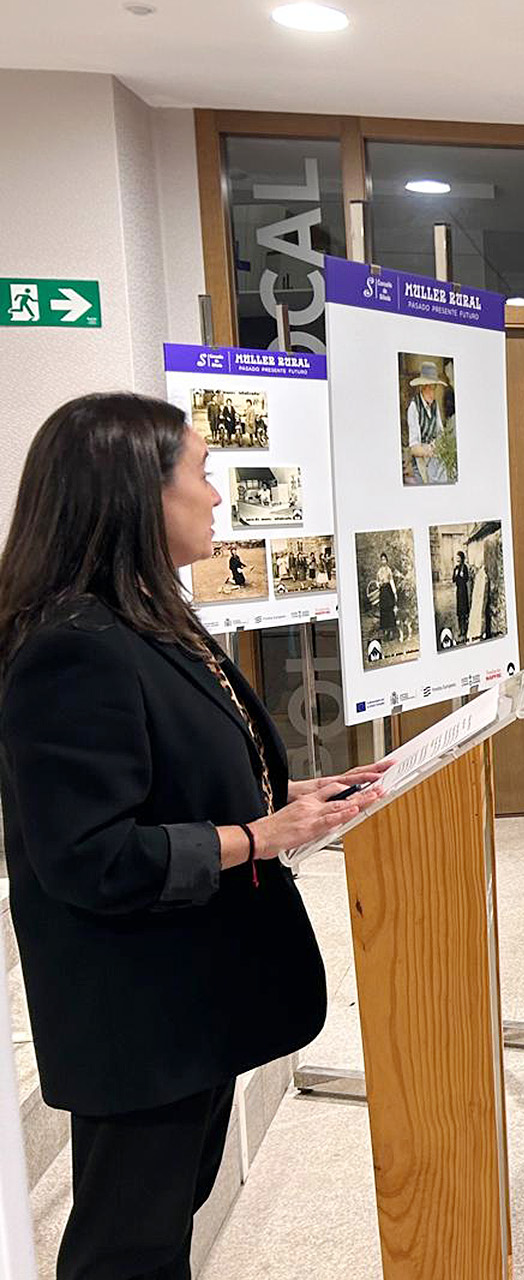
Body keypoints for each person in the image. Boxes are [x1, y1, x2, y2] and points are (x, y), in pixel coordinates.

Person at [0, 393, 383, 1278]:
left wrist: (289, 792)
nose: (217, 497)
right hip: (139, 1020)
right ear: (136, 494)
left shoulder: (146, 618)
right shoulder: (73, 647)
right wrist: (259, 834)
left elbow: (173, 769)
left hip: (190, 1003)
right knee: (126, 1251)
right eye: (201, 475)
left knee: (164, 1226)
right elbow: (90, 856)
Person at [402, 360, 452, 485]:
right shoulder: (414, 407)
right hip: (420, 465)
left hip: (433, 460)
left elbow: (440, 432)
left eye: (433, 388)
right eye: (428, 388)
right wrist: (427, 450)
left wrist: (438, 445)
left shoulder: (434, 406)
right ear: (422, 387)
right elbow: (414, 447)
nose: (432, 393)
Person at [374, 552, 398, 639]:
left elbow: (391, 581)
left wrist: (394, 593)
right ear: (380, 561)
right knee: (383, 610)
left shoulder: (388, 570)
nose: (383, 561)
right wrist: (378, 584)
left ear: (387, 560)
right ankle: (385, 631)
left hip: (388, 591)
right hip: (382, 592)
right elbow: (376, 581)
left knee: (389, 609)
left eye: (384, 559)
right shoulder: (379, 571)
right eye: (382, 559)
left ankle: (391, 630)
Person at [453, 549, 474, 642]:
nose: (457, 559)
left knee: (464, 610)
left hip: (464, 591)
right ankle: (460, 630)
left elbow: (466, 579)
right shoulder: (456, 568)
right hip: (458, 591)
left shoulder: (464, 567)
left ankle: (465, 630)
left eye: (459, 557)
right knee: (459, 612)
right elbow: (453, 580)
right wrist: (456, 574)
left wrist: (462, 575)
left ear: (462, 558)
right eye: (456, 558)